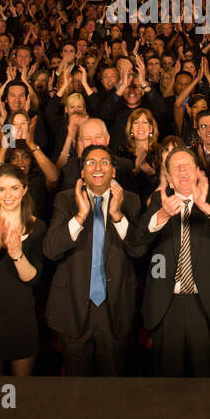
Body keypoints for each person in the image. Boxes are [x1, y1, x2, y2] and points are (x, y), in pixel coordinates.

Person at [130, 147, 210, 377]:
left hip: (206, 305)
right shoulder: (158, 200)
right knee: (167, 386)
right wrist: (162, 215)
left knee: (208, 383)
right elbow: (138, 240)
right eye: (176, 167)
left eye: (187, 166)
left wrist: (205, 207)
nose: (182, 170)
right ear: (170, 179)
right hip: (167, 304)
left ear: (197, 173)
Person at [42, 146, 143, 376]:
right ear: (82, 173)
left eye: (104, 162)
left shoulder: (131, 201)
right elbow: (50, 250)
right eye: (90, 163)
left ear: (114, 172)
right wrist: (80, 216)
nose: (98, 168)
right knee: (78, 389)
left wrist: (117, 216)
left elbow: (138, 250)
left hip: (114, 309)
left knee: (112, 386)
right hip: (73, 309)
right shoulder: (65, 200)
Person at [0, 163, 45, 376]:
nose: (7, 195)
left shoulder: (37, 226)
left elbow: (33, 278)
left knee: (21, 391)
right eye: (1, 189)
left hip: (22, 317)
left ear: (24, 189)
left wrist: (16, 254)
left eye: (14, 188)